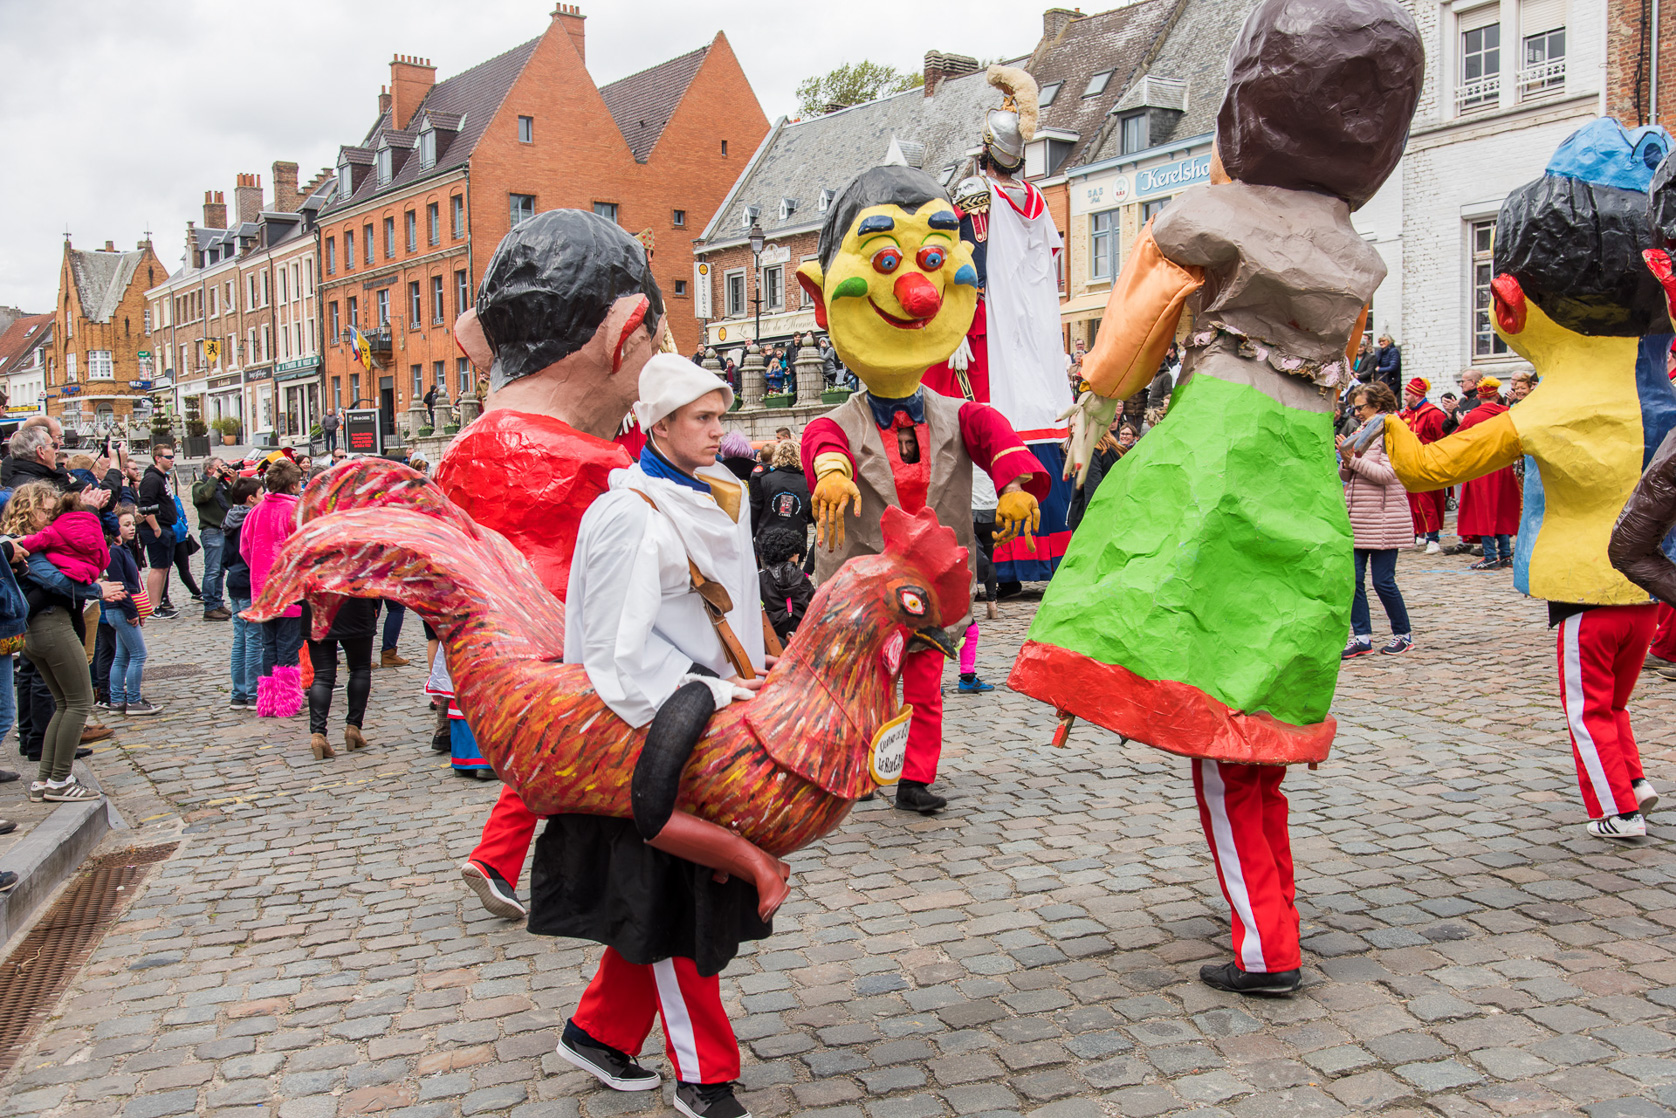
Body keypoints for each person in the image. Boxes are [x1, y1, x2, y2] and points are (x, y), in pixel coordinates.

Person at [1025, 0, 1422, 995]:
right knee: (1259, 709)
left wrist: (1097, 372)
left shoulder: (1199, 222)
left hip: (1214, 450)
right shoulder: (1348, 247)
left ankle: (1262, 943)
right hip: (1299, 466)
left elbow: (1119, 361)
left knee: (1212, 720)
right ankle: (1267, 911)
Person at [544, 356, 764, 1118]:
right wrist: (714, 690)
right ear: (659, 424)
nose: (717, 431)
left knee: (664, 895)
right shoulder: (630, 515)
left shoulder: (708, 495)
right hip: (651, 731)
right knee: (678, 902)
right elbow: (614, 655)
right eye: (701, 418)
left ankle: (597, 1029)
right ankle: (704, 1077)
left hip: (708, 720)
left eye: (719, 416)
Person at [798, 165, 1047, 815]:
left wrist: (1018, 482)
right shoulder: (841, 421)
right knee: (859, 682)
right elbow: (823, 444)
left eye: (933, 259)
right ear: (821, 295)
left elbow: (994, 436)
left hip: (933, 582)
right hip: (862, 582)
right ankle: (849, 764)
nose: (919, 294)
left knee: (926, 683)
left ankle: (915, 776)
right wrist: (831, 473)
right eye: (888, 261)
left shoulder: (955, 412)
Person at [439, 207, 663, 920]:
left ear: (475, 344)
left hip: (506, 671)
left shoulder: (459, 455)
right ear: (626, 332)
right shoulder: (600, 470)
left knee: (547, 759)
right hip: (589, 671)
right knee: (571, 759)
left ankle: (498, 859)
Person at [6, 483, 123, 803]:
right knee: (80, 702)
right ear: (30, 511)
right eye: (46, 510)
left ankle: (46, 779)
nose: (52, 515)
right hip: (49, 624)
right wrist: (98, 590)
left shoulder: (40, 542)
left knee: (65, 704)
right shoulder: (32, 546)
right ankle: (59, 781)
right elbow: (57, 580)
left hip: (41, 628)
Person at [1338, 384, 1414, 656]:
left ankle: (1403, 634)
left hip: (1383, 519)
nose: (1356, 412)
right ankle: (1361, 637)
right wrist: (1346, 464)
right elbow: (1349, 477)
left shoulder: (1390, 431)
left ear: (1378, 406)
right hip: (1358, 517)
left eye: (1361, 407)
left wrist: (1352, 460)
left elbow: (1386, 475)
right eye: (1355, 408)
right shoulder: (1361, 432)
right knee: (1353, 580)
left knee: (1383, 581)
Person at [242, 458, 305, 716]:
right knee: (289, 647)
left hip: (263, 591)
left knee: (270, 647)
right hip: (290, 590)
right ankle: (286, 702)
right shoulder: (296, 512)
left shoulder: (256, 512)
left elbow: (245, 548)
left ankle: (268, 701)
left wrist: (259, 569)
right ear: (292, 485)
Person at [1455, 375, 1519, 570]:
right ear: (1496, 395)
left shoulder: (1473, 416)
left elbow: (1458, 441)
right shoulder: (1508, 413)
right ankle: (1506, 555)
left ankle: (1490, 555)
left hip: (1482, 469)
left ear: (1480, 395)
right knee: (1501, 510)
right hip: (1504, 467)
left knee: (1484, 511)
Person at [302, 595, 376, 760]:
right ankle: (353, 728)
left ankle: (318, 735)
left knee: (322, 675)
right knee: (360, 669)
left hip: (317, 606)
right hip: (355, 605)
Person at [101, 509, 156, 716]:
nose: (131, 528)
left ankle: (117, 701)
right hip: (121, 608)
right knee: (139, 654)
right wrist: (132, 612)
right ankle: (133, 700)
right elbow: (120, 584)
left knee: (122, 656)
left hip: (121, 608)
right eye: (126, 525)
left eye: (133, 524)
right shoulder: (114, 551)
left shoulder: (123, 548)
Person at [222, 477, 263, 710]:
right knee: (253, 639)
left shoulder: (229, 518)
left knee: (240, 639)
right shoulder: (250, 520)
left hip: (235, 580)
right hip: (247, 581)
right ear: (251, 498)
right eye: (260, 493)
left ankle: (238, 692)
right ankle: (252, 693)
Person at [1398, 378, 1449, 553]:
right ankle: (1416, 535)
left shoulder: (1433, 414)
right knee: (1410, 503)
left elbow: (1444, 439)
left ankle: (1433, 538)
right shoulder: (1406, 414)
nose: (1404, 398)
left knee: (1426, 502)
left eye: (1407, 394)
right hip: (1409, 465)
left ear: (1416, 395)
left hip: (1426, 464)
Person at [136, 445, 179, 620]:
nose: (172, 459)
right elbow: (145, 506)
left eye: (172, 456)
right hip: (156, 528)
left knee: (164, 567)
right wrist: (156, 528)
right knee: (158, 568)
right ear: (157, 458)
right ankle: (153, 606)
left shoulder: (161, 477)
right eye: (168, 456)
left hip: (166, 526)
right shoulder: (152, 479)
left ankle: (158, 602)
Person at [191, 458, 232, 621]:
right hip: (211, 530)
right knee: (212, 571)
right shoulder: (199, 485)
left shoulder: (222, 485)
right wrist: (215, 476)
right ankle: (209, 606)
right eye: (219, 466)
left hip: (224, 529)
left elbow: (235, 498)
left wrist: (233, 479)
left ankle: (218, 602)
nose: (223, 468)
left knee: (221, 571)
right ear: (209, 469)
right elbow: (204, 496)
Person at [751, 440, 811, 550]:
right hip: (795, 542)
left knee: (768, 567)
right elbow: (810, 515)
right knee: (792, 567)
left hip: (767, 541)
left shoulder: (765, 479)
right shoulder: (806, 483)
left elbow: (755, 511)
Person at [758, 525, 812, 642]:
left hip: (770, 631)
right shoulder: (801, 578)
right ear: (792, 554)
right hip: (796, 630)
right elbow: (811, 603)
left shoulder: (761, 578)